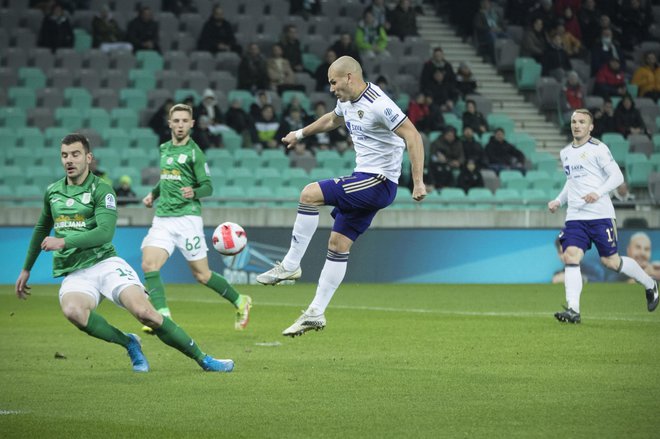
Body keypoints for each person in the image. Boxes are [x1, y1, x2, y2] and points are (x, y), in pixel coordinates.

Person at [15, 133, 233, 373]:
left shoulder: (103, 190)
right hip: (75, 272)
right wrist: (26, 268)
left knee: (146, 313)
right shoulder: (53, 192)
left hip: (106, 264)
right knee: (74, 312)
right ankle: (128, 342)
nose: (69, 160)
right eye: (65, 155)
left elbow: (104, 233)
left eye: (75, 154)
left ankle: (204, 359)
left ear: (88, 157)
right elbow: (40, 229)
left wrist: (63, 241)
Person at [255, 56, 426, 336]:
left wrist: (418, 182)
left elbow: (413, 136)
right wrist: (300, 133)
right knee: (337, 244)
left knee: (309, 194)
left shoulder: (379, 104)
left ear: (349, 77)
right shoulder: (346, 101)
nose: (331, 89)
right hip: (366, 179)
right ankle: (315, 313)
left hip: (377, 181)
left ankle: (289, 265)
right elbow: (332, 120)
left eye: (334, 82)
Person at [140, 104, 252, 333]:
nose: (180, 125)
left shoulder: (195, 153)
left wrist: (195, 192)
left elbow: (208, 186)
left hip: (187, 219)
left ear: (191, 124)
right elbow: (167, 178)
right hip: (163, 218)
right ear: (170, 123)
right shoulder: (164, 149)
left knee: (202, 275)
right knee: (149, 264)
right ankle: (162, 315)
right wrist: (153, 193)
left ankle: (240, 301)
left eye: (184, 121)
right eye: (176, 121)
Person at [547, 109, 658, 324]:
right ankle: (573, 310)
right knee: (571, 255)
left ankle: (649, 283)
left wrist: (597, 193)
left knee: (610, 261)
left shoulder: (599, 149)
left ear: (590, 127)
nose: (576, 125)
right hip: (576, 216)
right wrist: (559, 200)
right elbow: (572, 183)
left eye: (581, 122)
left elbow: (617, 176)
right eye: (573, 121)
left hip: (600, 215)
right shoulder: (566, 152)